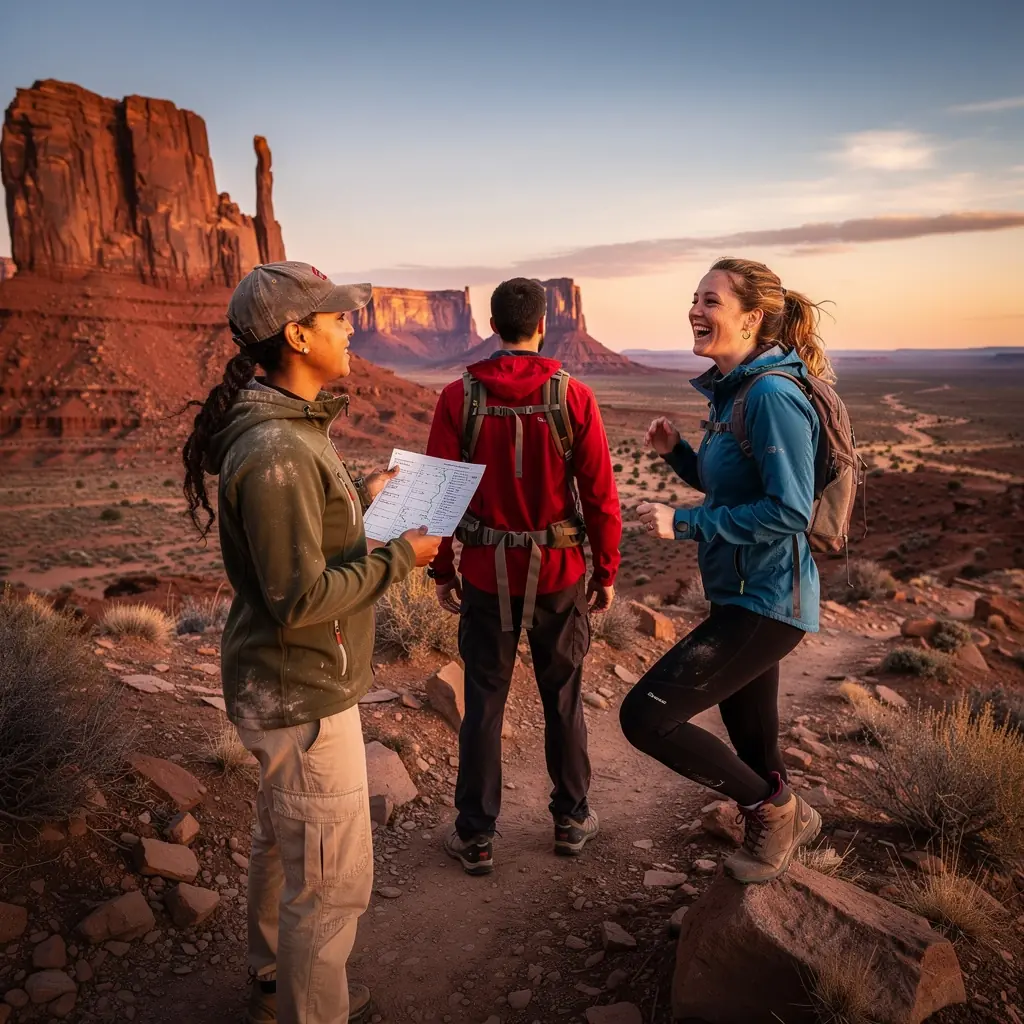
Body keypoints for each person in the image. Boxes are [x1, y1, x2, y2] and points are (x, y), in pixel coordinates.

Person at [181, 261, 441, 1024]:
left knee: (284, 842)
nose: (350, 327)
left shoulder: (290, 428)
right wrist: (401, 557)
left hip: (286, 683)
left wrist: (359, 504)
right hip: (301, 689)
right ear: (296, 335)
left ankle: (274, 979)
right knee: (330, 885)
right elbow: (299, 599)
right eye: (335, 318)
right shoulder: (279, 450)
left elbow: (303, 548)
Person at [620, 257, 829, 884]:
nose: (696, 309)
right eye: (694, 298)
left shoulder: (769, 395)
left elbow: (790, 510)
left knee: (646, 716)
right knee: (756, 746)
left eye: (711, 300)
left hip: (768, 601)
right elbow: (734, 490)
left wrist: (681, 523)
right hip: (739, 595)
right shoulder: (735, 391)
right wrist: (678, 455)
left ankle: (772, 813)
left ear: (752, 317)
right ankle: (791, 815)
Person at [425, 277, 621, 874]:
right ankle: (570, 818)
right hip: (560, 574)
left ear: (491, 325)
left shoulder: (458, 397)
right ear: (544, 325)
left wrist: (441, 566)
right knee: (562, 697)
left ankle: (477, 835)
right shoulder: (575, 397)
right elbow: (600, 497)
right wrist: (605, 569)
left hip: (486, 573)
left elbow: (436, 495)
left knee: (484, 701)